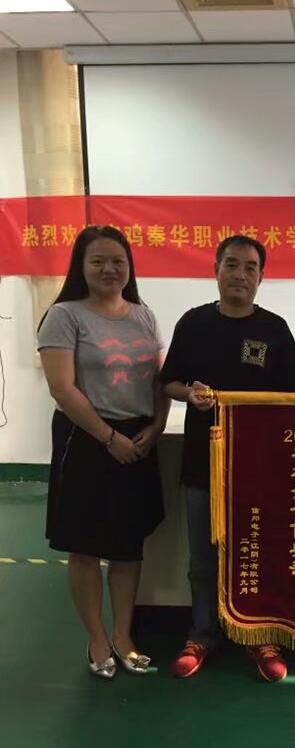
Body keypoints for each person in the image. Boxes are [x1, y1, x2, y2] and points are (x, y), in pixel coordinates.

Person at [161, 234, 295, 682]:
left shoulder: (275, 330)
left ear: (262, 276)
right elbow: (169, 382)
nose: (240, 274)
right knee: (202, 560)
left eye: (250, 267)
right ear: (216, 270)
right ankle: (202, 635)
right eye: (232, 265)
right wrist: (190, 392)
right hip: (201, 463)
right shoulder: (193, 323)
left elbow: (294, 398)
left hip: (259, 468)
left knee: (256, 554)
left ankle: (258, 636)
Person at [37, 225, 169, 679]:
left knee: (128, 546)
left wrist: (156, 425)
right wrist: (109, 438)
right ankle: (96, 639)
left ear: (129, 266)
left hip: (138, 438)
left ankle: (123, 636)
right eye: (98, 261)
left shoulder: (144, 316)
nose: (109, 269)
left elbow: (158, 379)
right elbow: (62, 388)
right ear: (81, 266)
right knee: (86, 547)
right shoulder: (64, 315)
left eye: (118, 261)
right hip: (87, 438)